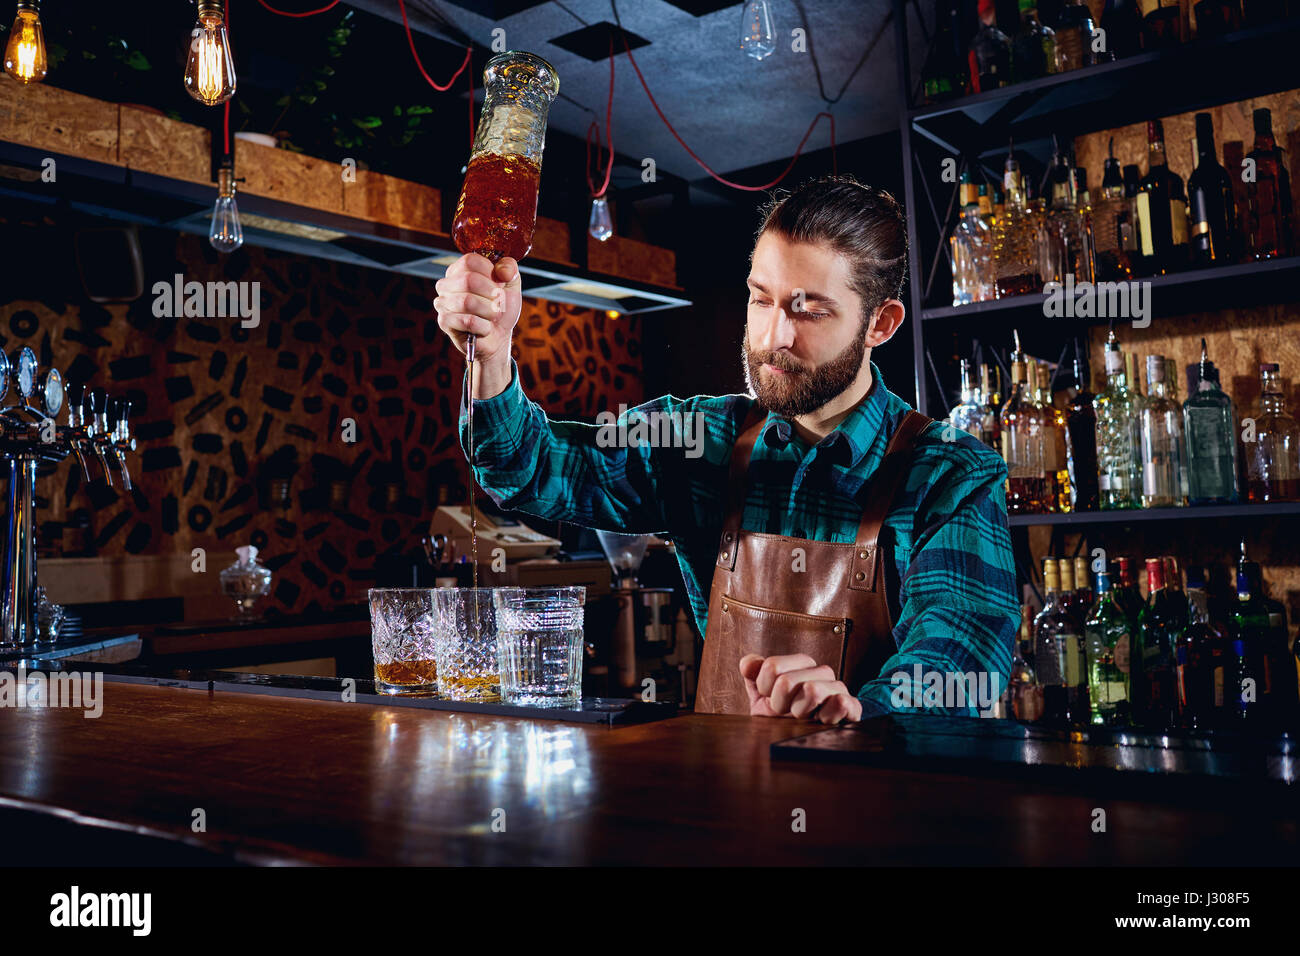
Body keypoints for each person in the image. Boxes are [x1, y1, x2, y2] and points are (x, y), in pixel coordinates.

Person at [435, 175, 1017, 724]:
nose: (773, 339)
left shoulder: (951, 474)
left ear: (881, 324)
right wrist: (491, 354)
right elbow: (526, 466)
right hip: (729, 805)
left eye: (809, 309)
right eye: (761, 299)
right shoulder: (698, 442)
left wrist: (864, 713)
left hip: (881, 805)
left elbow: (963, 660)